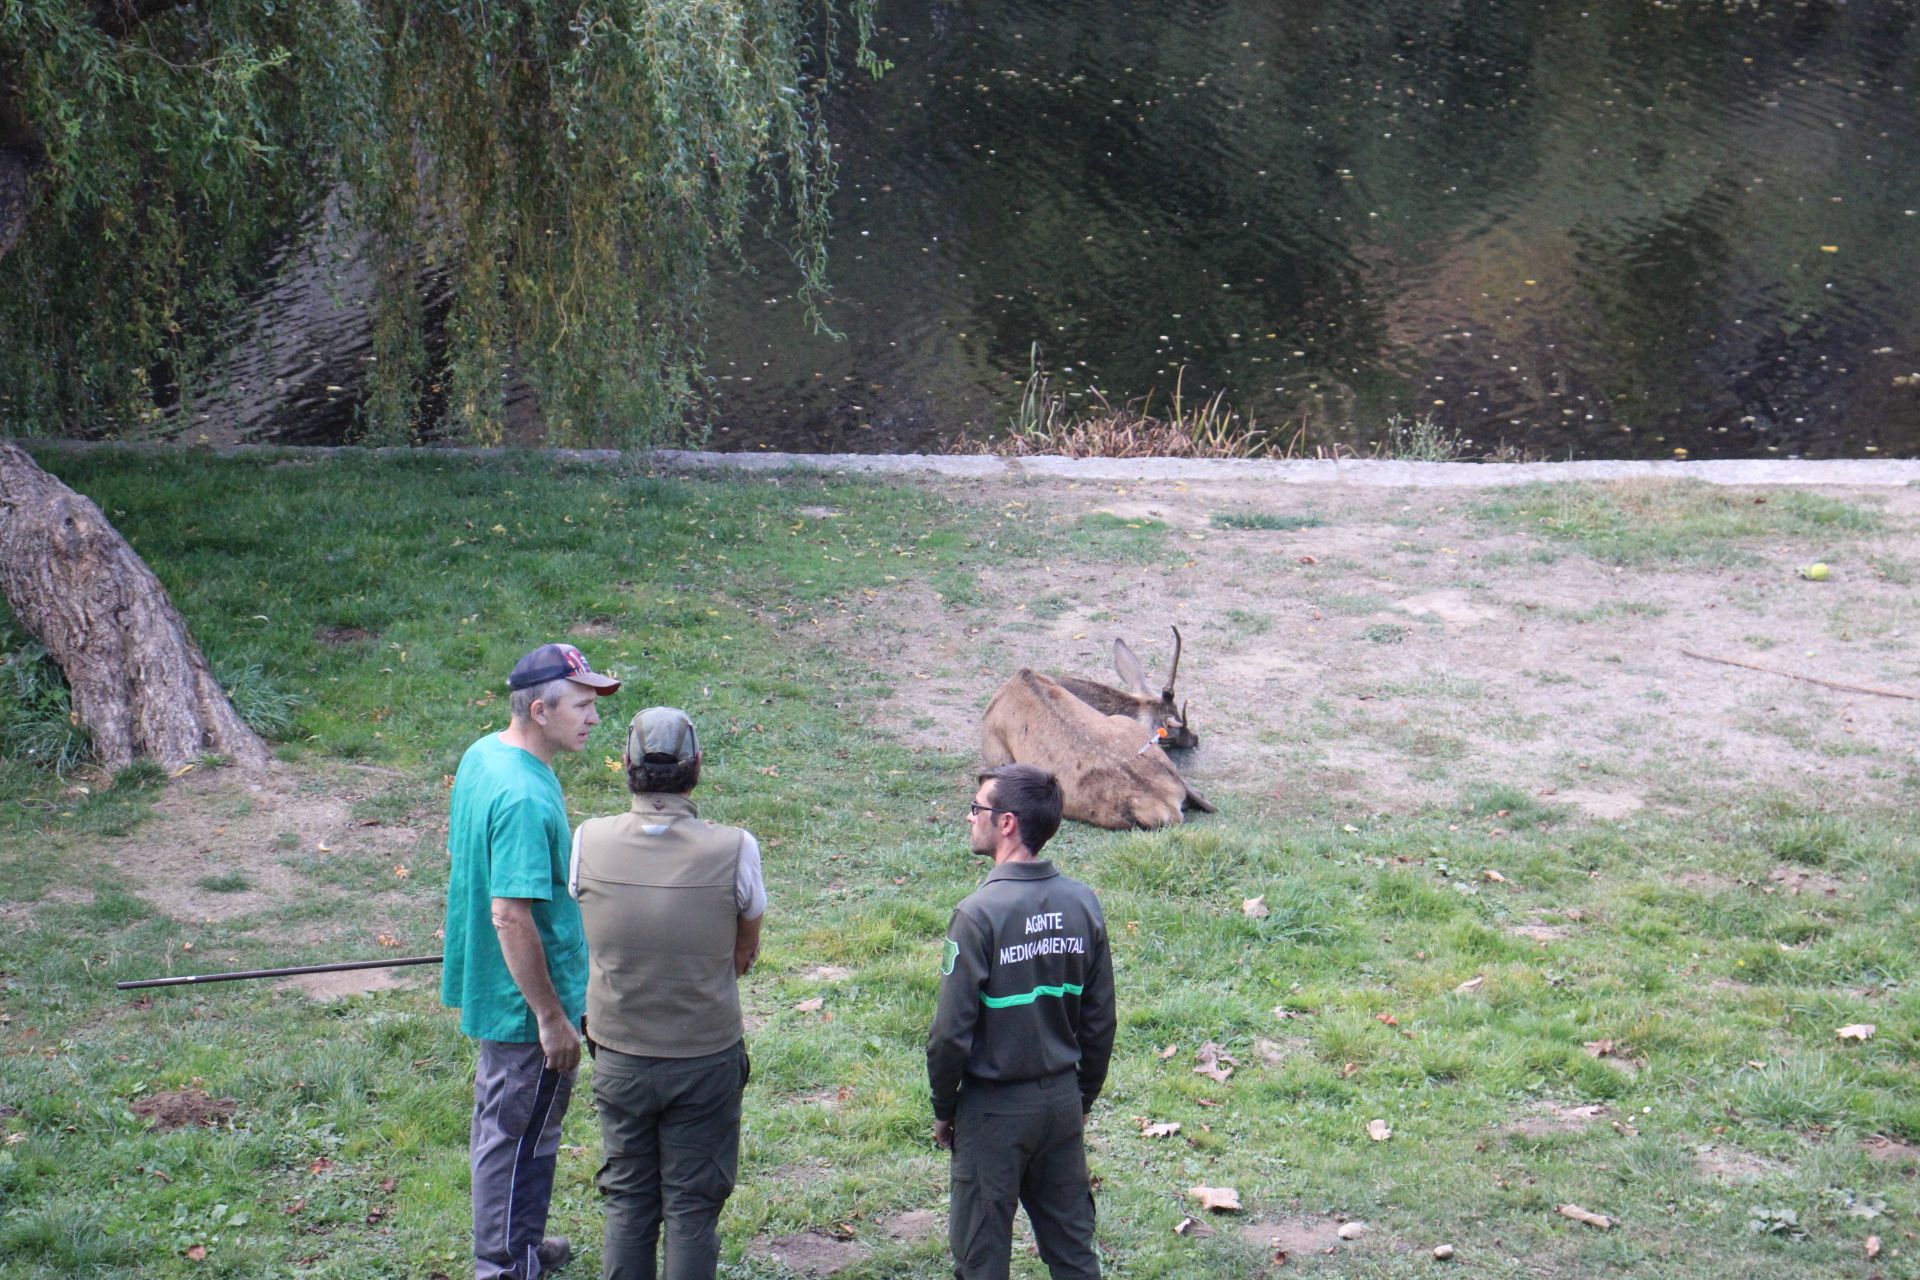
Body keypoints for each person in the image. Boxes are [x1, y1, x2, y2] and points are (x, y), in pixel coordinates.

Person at [443, 642, 621, 1279]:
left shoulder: (486, 754)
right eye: (581, 705)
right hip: (525, 1001)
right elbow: (510, 914)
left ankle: (518, 1242)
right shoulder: (523, 796)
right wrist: (550, 1016)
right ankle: (503, 1265)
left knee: (507, 1125)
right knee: (521, 1134)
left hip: (502, 982)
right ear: (540, 710)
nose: (594, 718)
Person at [570, 706, 766, 1280]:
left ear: (626, 764)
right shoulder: (735, 848)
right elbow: (744, 950)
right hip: (704, 1056)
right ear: (697, 768)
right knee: (692, 1208)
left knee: (628, 1202)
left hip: (619, 1053)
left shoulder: (587, 840)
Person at [927, 763, 1115, 1280]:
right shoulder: (1083, 903)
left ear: (1006, 822)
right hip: (1060, 1104)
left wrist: (945, 1107)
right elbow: (1100, 1021)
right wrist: (1079, 1101)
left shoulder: (978, 914)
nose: (970, 817)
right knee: (1075, 1255)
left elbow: (949, 1035)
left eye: (977, 808)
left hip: (992, 1112)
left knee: (981, 1259)